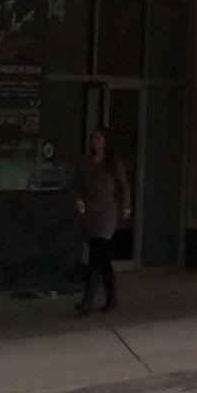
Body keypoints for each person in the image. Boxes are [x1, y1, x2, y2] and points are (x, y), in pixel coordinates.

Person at [69, 126, 131, 316]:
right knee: (102, 259)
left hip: (106, 213)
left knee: (98, 252)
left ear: (105, 141)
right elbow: (74, 184)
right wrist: (78, 199)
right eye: (92, 139)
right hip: (90, 212)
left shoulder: (113, 164)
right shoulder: (84, 162)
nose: (94, 142)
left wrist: (126, 206)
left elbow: (123, 186)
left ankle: (87, 300)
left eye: (98, 138)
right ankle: (110, 298)